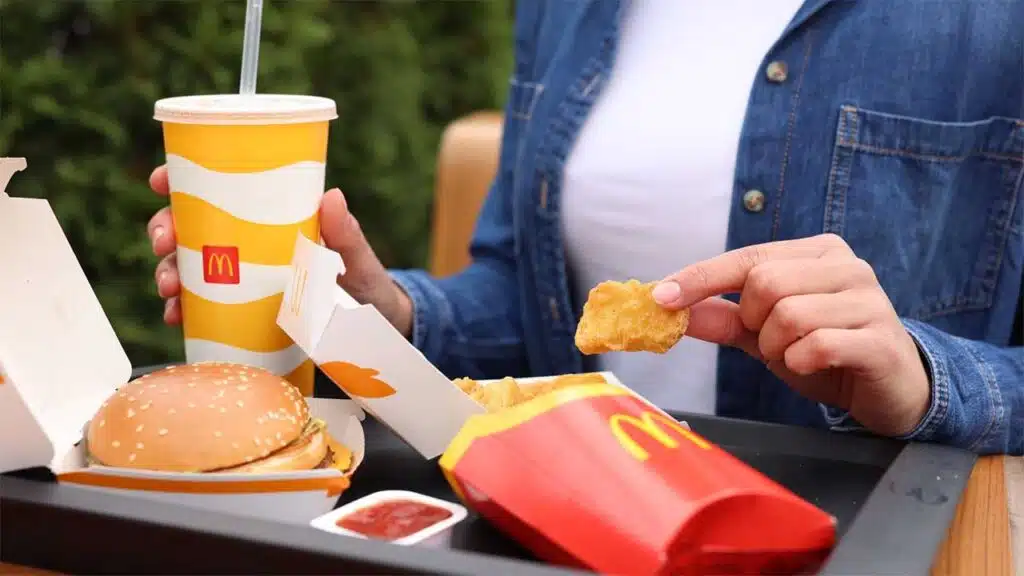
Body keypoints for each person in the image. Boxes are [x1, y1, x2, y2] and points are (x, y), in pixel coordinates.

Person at [147, 0, 1023, 455]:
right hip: (574, 515)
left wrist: (923, 379)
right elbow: (526, 298)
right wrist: (376, 316)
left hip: (875, 535)